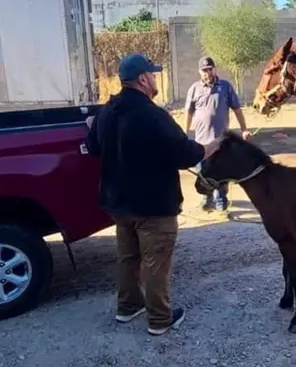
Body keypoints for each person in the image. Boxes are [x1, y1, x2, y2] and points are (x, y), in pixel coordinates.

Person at [85, 53, 220, 336]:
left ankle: (128, 307)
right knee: (155, 263)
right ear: (143, 79)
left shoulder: (106, 112)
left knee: (128, 258)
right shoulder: (153, 115)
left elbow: (93, 148)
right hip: (153, 207)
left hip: (118, 204)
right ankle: (160, 319)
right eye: (153, 74)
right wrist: (211, 146)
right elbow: (186, 155)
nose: (156, 78)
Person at [184, 56, 252, 212]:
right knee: (202, 172)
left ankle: (221, 200)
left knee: (221, 171)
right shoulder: (194, 89)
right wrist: (185, 132)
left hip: (220, 140)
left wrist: (244, 129)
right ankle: (206, 198)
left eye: (210, 69)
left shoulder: (225, 86)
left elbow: (237, 109)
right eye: (204, 70)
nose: (207, 73)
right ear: (199, 72)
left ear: (214, 69)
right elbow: (188, 112)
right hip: (201, 141)